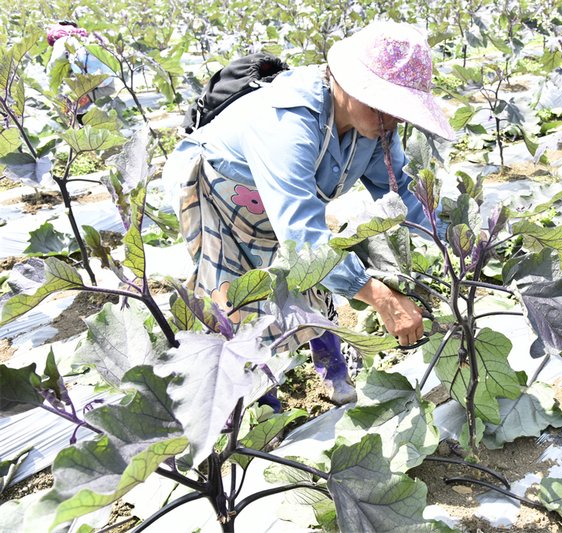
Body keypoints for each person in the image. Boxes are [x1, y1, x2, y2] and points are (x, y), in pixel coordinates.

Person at [162, 21, 455, 404]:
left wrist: (458, 243)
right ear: (347, 83)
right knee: (237, 302)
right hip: (215, 193)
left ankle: (333, 373)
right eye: (386, 104)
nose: (394, 117)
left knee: (312, 276)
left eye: (401, 108)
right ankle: (259, 406)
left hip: (276, 206)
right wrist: (382, 298)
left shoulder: (375, 128)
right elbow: (303, 239)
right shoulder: (288, 121)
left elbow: (404, 193)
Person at [46, 21, 115, 118]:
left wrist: (54, 94)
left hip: (82, 79)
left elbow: (53, 67)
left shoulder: (62, 41)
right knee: (108, 90)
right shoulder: (86, 38)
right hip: (105, 76)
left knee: (72, 107)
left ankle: (77, 114)